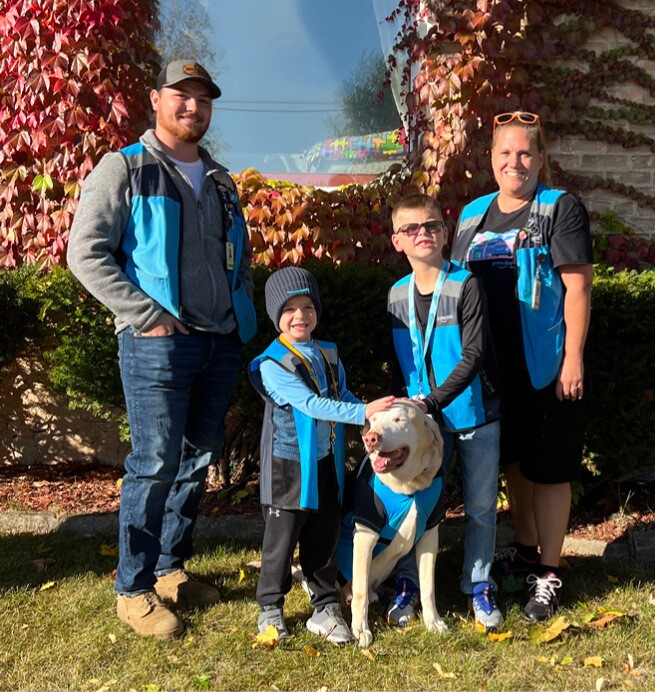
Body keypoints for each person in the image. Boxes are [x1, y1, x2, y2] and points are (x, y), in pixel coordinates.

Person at [67, 60, 256, 638]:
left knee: (197, 461)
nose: (192, 107)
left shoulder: (221, 180)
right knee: (153, 465)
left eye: (202, 100)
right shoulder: (125, 168)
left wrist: (236, 314)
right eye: (181, 96)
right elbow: (85, 254)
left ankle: (171, 570)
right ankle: (133, 589)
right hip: (156, 347)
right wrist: (146, 316)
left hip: (217, 343)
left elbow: (238, 259)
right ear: (156, 99)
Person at [450, 111, 593, 622]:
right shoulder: (471, 216)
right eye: (505, 152)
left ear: (540, 159)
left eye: (525, 153)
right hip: (489, 368)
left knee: (550, 467)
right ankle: (528, 551)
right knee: (514, 458)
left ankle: (549, 573)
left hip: (547, 363)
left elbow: (577, 287)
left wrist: (573, 357)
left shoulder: (559, 208)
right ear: (491, 159)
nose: (515, 162)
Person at [248, 267, 394, 644]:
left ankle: (324, 607)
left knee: (324, 538)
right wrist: (362, 412)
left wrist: (369, 413)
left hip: (326, 464)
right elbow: (312, 405)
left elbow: (339, 395)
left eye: (308, 306)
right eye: (290, 308)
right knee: (280, 543)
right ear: (275, 314)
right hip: (289, 470)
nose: (301, 316)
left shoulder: (327, 351)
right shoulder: (271, 363)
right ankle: (270, 609)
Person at [388, 194, 504, 630]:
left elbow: (473, 354)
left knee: (479, 505)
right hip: (419, 421)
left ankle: (478, 584)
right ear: (398, 240)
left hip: (472, 414)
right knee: (418, 503)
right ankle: (408, 583)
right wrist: (401, 409)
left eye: (433, 226)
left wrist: (432, 402)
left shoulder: (466, 285)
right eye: (413, 229)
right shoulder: (396, 293)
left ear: (446, 233)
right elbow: (398, 362)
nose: (424, 234)